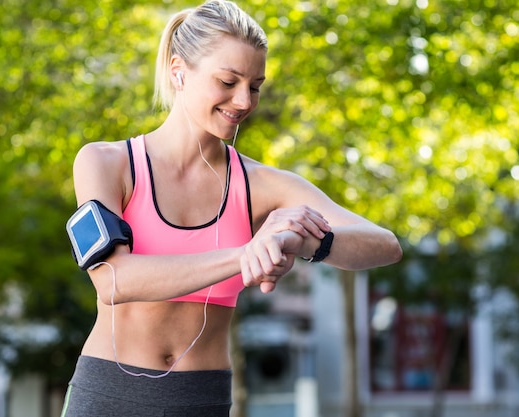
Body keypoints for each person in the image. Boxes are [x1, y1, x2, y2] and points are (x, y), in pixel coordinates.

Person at [60, 1, 402, 416]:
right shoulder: (106, 163)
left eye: (255, 86)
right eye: (227, 81)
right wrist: (246, 255)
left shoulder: (260, 185)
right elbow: (113, 280)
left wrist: (298, 240)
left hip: (202, 399)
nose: (243, 101)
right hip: (107, 395)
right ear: (178, 71)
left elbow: (385, 245)